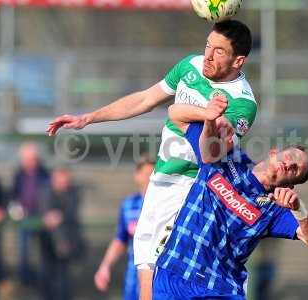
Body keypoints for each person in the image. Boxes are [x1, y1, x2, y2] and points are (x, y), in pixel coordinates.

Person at [47, 19, 258, 299]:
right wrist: (88, 118)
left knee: (164, 275)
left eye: (219, 51)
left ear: (238, 61)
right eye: (208, 45)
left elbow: (213, 153)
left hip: (193, 188)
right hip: (161, 180)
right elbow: (146, 99)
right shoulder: (191, 66)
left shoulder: (242, 103)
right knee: (145, 263)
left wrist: (210, 118)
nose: (208, 55)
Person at [152, 103, 308, 299]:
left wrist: (299, 209)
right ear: (274, 152)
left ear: (291, 185)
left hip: (220, 289)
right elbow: (175, 114)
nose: (289, 164)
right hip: (175, 274)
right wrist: (209, 115)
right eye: (290, 156)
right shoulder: (227, 154)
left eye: (295, 169)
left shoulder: (275, 209)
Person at [94, 158, 154, 300]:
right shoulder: (129, 204)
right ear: (137, 175)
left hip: (155, 273)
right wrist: (105, 266)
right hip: (133, 274)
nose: (149, 178)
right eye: (146, 173)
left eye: (152, 173)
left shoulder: (165, 205)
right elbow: (120, 239)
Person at [39, 167, 85, 300]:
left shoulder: (73, 193)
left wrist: (59, 216)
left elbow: (71, 213)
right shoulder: (45, 192)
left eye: (65, 181)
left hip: (67, 241)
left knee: (63, 278)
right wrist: (49, 217)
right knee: (46, 275)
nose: (62, 183)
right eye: (59, 180)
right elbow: (42, 210)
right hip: (47, 241)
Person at [11, 142, 49, 285]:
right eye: (25, 159)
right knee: (24, 250)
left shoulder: (45, 174)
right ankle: (25, 280)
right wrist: (15, 208)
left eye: (31, 159)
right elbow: (14, 194)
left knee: (43, 251)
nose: (28, 162)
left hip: (41, 217)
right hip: (24, 217)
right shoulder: (18, 174)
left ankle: (43, 280)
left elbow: (48, 195)